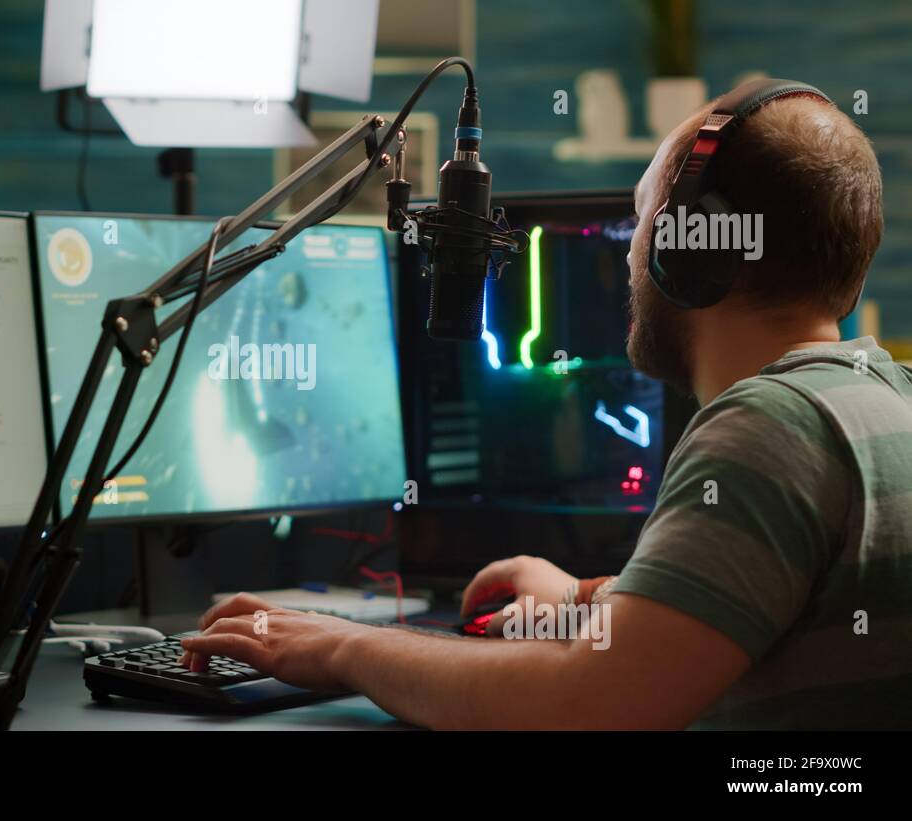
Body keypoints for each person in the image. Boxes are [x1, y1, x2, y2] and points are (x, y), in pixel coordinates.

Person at [180, 79, 910, 729]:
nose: (628, 258)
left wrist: (343, 645)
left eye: (641, 221)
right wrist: (584, 599)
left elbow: (587, 703)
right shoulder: (883, 398)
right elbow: (765, 599)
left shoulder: (767, 427)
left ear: (686, 251)